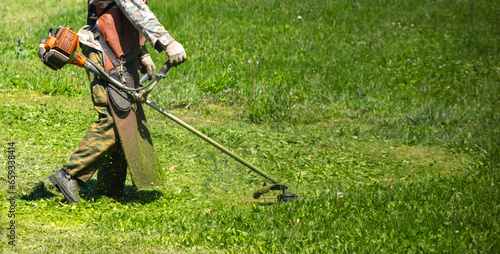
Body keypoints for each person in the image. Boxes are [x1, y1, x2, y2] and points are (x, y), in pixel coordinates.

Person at [48, 0, 186, 203]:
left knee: (125, 120)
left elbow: (123, 15)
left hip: (121, 55)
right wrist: (168, 42)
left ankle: (108, 190)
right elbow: (135, 8)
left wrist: (142, 52)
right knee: (113, 119)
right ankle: (69, 175)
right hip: (104, 53)